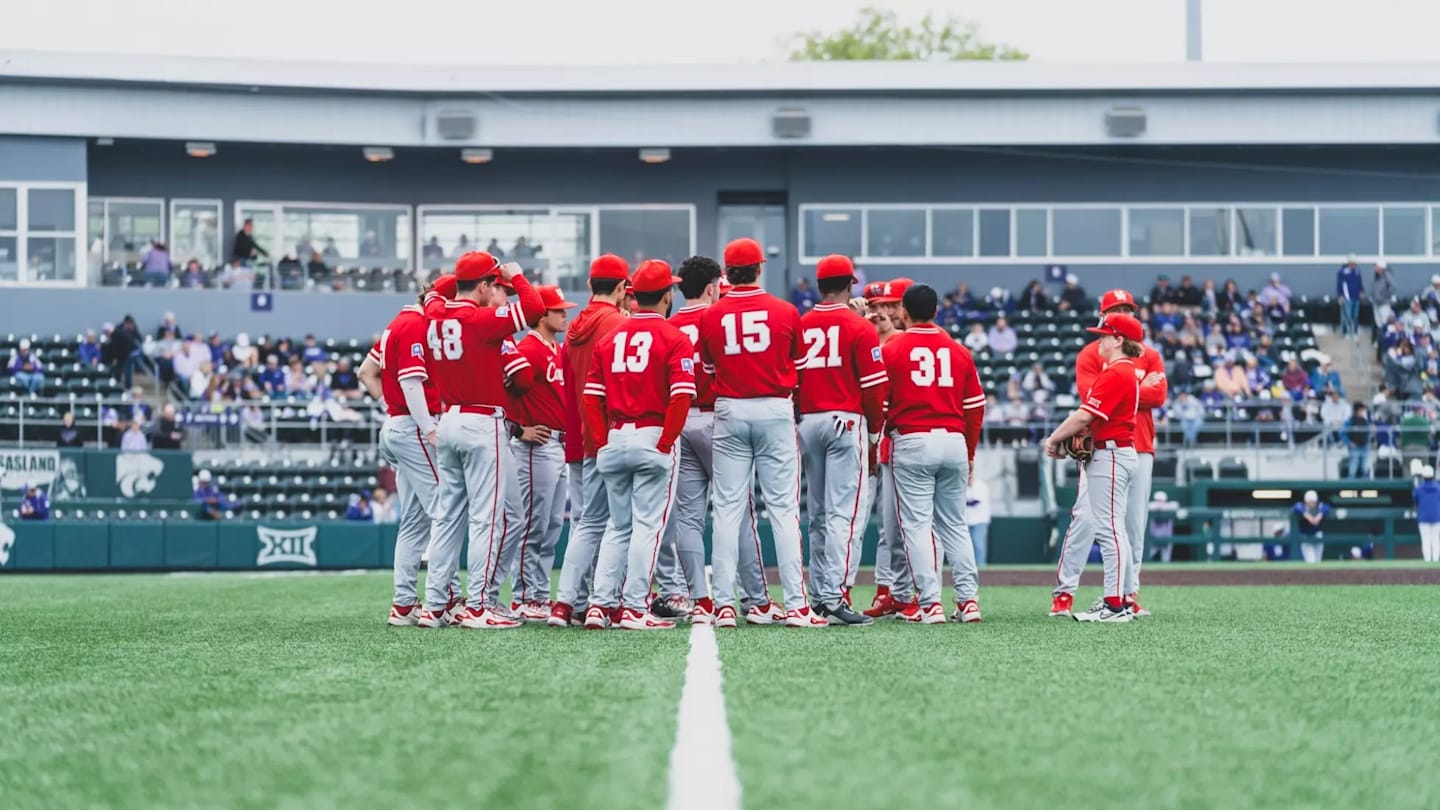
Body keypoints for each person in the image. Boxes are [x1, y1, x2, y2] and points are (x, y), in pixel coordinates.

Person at [697, 237, 826, 628]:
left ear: (727, 273)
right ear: (759, 268)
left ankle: (723, 605)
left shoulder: (710, 315)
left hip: (730, 409)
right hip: (774, 407)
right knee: (784, 511)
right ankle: (798, 606)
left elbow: (707, 371)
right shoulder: (786, 311)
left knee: (726, 511)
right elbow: (800, 367)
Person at [416, 253, 541, 629]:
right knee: (488, 519)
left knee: (448, 518)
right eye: (493, 283)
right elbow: (533, 307)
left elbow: (436, 290)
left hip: (449, 419)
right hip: (482, 423)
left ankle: (434, 606)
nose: (496, 289)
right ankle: (477, 607)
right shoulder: (481, 320)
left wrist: (459, 276)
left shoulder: (435, 312)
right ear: (485, 285)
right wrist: (516, 276)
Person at [651, 257, 778, 625]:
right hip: (719, 419)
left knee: (688, 518)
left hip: (680, 421)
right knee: (737, 512)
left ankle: (700, 600)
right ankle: (756, 600)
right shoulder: (721, 317)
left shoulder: (668, 325)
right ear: (712, 287)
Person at [577, 261, 695, 630]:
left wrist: (599, 441)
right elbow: (681, 397)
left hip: (614, 436)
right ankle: (633, 606)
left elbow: (590, 398)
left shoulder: (610, 338)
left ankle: (599, 605)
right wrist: (666, 441)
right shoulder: (676, 337)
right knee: (647, 527)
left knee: (618, 526)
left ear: (632, 295)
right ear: (666, 295)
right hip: (652, 433)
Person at [1051, 289, 1165, 618]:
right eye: (1116, 309)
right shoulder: (1091, 353)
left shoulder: (1148, 353)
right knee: (1086, 519)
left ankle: (1127, 594)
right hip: (1102, 446)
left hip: (1137, 444)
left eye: (1127, 309)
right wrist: (1135, 388)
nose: (1123, 313)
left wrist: (1122, 389)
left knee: (1131, 524)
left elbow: (1159, 396)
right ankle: (1065, 592)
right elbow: (1093, 398)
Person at [358, 274, 461, 627]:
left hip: (398, 426)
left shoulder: (396, 323)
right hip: (414, 426)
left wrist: (392, 408)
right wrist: (426, 426)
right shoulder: (416, 325)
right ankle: (449, 598)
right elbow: (411, 381)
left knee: (415, 521)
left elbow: (365, 371)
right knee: (445, 512)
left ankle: (403, 603)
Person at [882, 283, 986, 623]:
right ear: (937, 312)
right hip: (954, 440)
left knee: (916, 526)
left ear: (904, 313)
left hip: (912, 440)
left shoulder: (893, 349)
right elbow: (975, 408)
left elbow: (880, 403)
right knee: (955, 525)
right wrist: (969, 455)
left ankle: (930, 603)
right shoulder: (959, 351)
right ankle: (968, 601)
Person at [795, 255, 887, 626]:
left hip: (808, 420)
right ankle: (833, 596)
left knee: (816, 514)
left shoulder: (801, 323)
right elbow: (874, 387)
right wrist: (875, 432)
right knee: (843, 516)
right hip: (845, 419)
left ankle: (819, 595)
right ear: (850, 283)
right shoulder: (859, 325)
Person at [549, 255, 631, 628]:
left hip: (579, 434)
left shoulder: (575, 326)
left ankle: (566, 603)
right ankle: (604, 603)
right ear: (621, 288)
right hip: (607, 433)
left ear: (589, 287)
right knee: (616, 524)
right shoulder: (615, 322)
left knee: (586, 523)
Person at [498, 285, 577, 622]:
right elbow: (500, 394)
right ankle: (523, 596)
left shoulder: (555, 348)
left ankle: (539, 593)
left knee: (551, 528)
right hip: (535, 446)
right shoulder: (527, 348)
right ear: (541, 314)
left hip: (558, 445)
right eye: (558, 310)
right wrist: (518, 430)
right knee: (532, 524)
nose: (565, 314)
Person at [1293, 490, 1330, 563]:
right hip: (1305, 536)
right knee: (1310, 560)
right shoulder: (1301, 506)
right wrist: (1307, 515)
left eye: (1314, 502)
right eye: (1310, 502)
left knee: (1318, 560)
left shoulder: (1320, 506)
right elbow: (1296, 507)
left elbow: (1327, 507)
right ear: (1306, 501)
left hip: (1317, 535)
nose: (1312, 504)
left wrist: (1320, 515)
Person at [1415, 466, 1440, 562]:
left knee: (1426, 540)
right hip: (1437, 517)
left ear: (1423, 476)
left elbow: (1415, 500)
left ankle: (1427, 560)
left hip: (1424, 518)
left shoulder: (1418, 489)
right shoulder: (1438, 488)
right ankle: (1436, 559)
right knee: (1435, 539)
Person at [966, 473, 991, 567]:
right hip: (967, 521)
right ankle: (970, 567)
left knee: (978, 544)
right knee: (968, 546)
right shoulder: (963, 487)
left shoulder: (980, 486)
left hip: (980, 520)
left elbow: (975, 502)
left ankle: (981, 566)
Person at [1148, 491, 1178, 562]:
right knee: (1147, 557)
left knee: (1166, 560)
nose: (1159, 502)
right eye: (1158, 500)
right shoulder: (1152, 506)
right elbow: (1150, 506)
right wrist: (1158, 507)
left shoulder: (1169, 507)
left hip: (1166, 538)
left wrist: (1162, 507)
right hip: (1153, 538)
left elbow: (1176, 505)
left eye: (1161, 500)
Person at [1343, 402, 1371, 478]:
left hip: (1364, 447)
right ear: (1357, 411)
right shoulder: (1350, 421)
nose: (1363, 412)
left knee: (1364, 468)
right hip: (1354, 448)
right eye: (1362, 410)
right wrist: (1349, 442)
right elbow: (1342, 433)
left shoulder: (1365, 421)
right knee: (1353, 468)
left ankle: (1365, 485)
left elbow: (1369, 432)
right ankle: (1350, 485)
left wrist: (1367, 441)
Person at [1337, 257, 1363, 338]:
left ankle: (1354, 332)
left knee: (1355, 315)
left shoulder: (1357, 272)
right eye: (1353, 263)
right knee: (1346, 315)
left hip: (1356, 297)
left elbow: (1360, 283)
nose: (1355, 265)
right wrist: (1340, 295)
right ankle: (1346, 332)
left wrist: (1361, 290)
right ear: (1350, 263)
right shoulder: (1342, 272)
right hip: (1347, 297)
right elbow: (1339, 284)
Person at [1370, 263, 1397, 328]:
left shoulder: (1387, 275)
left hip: (1383, 302)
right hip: (1376, 302)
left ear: (1380, 267)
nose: (1374, 268)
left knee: (1384, 320)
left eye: (1376, 266)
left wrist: (1384, 296)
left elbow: (1393, 287)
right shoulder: (1377, 276)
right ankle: (1380, 336)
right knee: (1378, 321)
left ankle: (1386, 336)